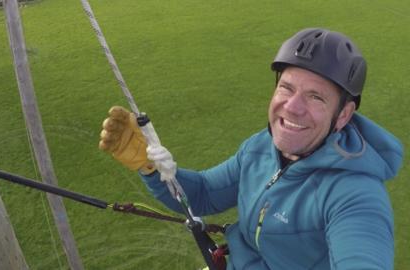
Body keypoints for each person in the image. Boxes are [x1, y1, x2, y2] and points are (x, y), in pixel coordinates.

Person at [98, 28, 403, 269]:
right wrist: (152, 169)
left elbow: (362, 254)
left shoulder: (355, 195)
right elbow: (203, 193)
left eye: (316, 97)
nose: (292, 107)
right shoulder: (260, 148)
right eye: (286, 87)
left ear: (344, 115)